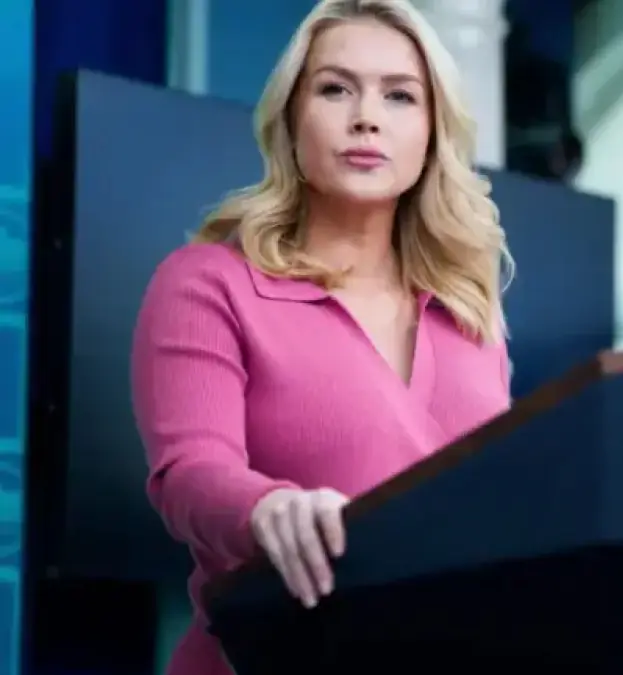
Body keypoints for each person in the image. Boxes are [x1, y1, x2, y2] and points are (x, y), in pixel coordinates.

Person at [130, 1, 514, 673]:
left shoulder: (469, 313)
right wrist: (269, 509)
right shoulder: (209, 281)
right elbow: (188, 473)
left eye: (400, 96)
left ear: (432, 132)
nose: (367, 117)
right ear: (290, 121)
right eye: (335, 89)